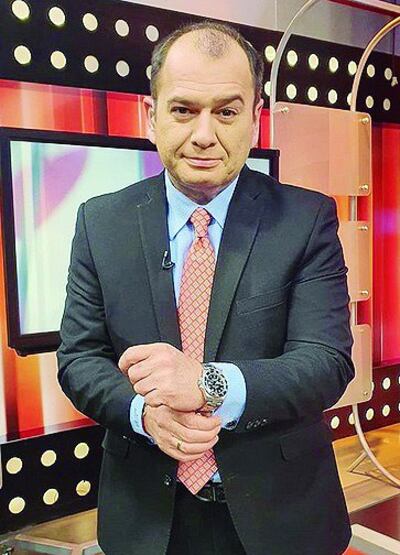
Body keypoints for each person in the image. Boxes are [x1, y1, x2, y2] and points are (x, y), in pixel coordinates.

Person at [57, 21, 355, 555]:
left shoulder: (306, 220)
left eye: (226, 111)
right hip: (147, 517)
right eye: (183, 109)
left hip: (281, 517)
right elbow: (79, 359)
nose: (203, 134)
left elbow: (326, 362)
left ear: (255, 119)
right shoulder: (100, 222)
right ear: (151, 116)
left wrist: (207, 383)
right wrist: (143, 415)